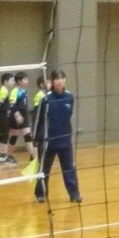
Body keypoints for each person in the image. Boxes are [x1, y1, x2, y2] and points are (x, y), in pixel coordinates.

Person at [33, 69, 82, 204]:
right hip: (49, 141)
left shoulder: (69, 97)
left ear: (65, 80)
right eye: (57, 79)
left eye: (62, 78)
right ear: (52, 81)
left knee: (69, 168)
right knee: (44, 169)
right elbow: (38, 119)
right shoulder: (46, 99)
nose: (60, 81)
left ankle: (74, 194)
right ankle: (41, 194)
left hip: (65, 140)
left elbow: (69, 115)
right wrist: (36, 138)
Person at [0, 71, 16, 166]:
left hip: (1, 116)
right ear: (5, 81)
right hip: (3, 116)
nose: (13, 82)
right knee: (5, 136)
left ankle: (0, 155)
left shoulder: (2, 90)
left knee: (1, 136)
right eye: (12, 80)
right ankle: (4, 156)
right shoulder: (4, 90)